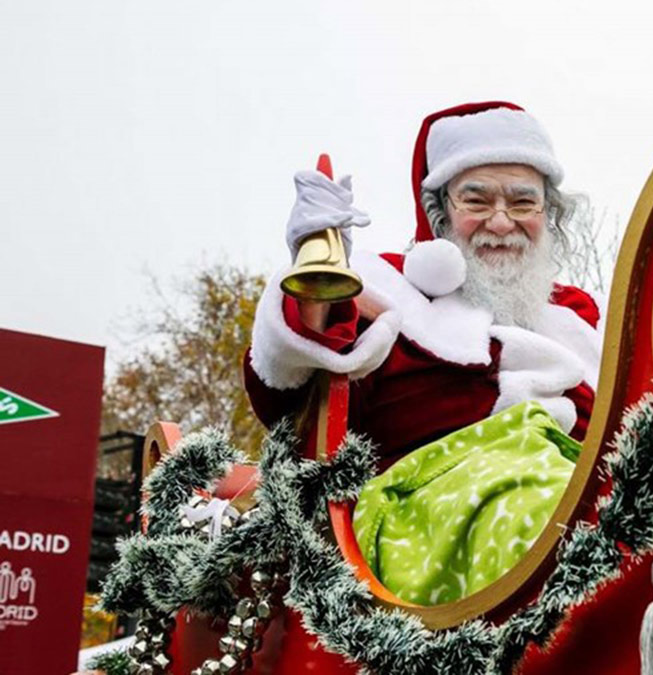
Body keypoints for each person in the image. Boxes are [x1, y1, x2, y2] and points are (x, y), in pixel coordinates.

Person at [242, 102, 603, 604]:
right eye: (477, 200)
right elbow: (289, 393)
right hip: (422, 510)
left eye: (523, 204)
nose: (502, 222)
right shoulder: (386, 287)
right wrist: (312, 281)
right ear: (440, 213)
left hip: (575, 490)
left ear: (549, 216)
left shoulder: (582, 322)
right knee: (549, 514)